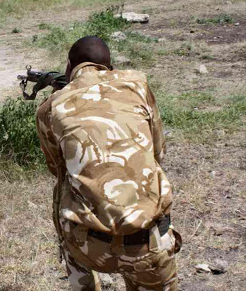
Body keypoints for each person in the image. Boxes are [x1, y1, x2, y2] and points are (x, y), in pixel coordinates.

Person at [36, 36, 182, 291]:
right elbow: (159, 152)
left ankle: (82, 282)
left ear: (69, 66)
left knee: (64, 187)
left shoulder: (50, 107)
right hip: (147, 244)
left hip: (88, 247)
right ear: (109, 66)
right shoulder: (137, 84)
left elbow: (57, 169)